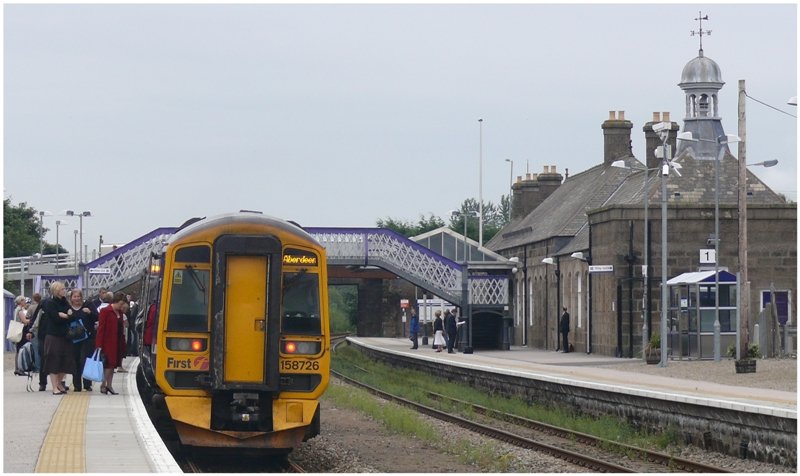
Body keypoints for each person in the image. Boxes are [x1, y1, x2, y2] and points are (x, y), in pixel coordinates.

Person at [41, 281, 77, 395]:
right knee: (53, 360)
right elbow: (55, 318)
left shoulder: (65, 302)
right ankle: (54, 386)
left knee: (66, 359)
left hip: (65, 335)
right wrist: (66, 315)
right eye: (62, 289)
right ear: (56, 291)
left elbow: (73, 316)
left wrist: (64, 315)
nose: (64, 291)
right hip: (53, 335)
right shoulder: (50, 302)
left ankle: (59, 382)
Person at [95, 292, 128, 394]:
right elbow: (101, 328)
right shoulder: (105, 311)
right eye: (120, 303)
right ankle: (104, 384)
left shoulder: (120, 313)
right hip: (107, 342)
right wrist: (99, 345)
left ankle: (109, 385)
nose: (122, 306)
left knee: (113, 365)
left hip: (117, 341)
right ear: (115, 302)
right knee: (108, 365)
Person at [67, 288, 98, 392]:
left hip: (87, 337)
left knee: (86, 360)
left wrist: (89, 313)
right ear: (71, 298)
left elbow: (97, 317)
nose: (77, 298)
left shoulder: (88, 305)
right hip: (73, 339)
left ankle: (87, 384)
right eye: (74, 296)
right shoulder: (68, 308)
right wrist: (68, 315)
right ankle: (77, 385)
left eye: (78, 296)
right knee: (75, 360)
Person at [13, 295, 31, 375]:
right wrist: (31, 320)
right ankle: (20, 368)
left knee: (18, 349)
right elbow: (24, 321)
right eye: (23, 300)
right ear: (20, 301)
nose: (25, 302)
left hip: (18, 330)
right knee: (21, 349)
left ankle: (17, 368)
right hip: (22, 330)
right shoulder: (20, 310)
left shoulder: (16, 309)